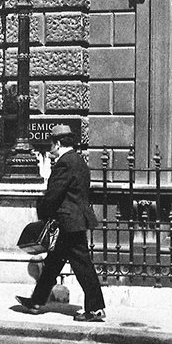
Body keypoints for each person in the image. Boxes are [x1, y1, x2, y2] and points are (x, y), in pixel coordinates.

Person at [15, 124, 106, 322]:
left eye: (51, 144)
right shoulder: (79, 161)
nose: (50, 148)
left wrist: (42, 213)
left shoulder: (64, 163)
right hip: (73, 220)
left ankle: (96, 309)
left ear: (57, 143)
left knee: (82, 266)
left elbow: (53, 195)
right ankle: (37, 301)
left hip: (68, 222)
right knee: (53, 264)